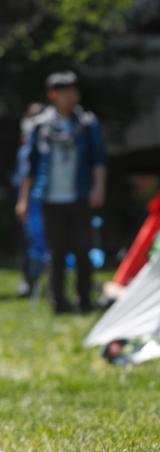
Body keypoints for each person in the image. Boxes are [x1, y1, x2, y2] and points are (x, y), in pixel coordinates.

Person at [15, 71, 108, 313]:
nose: (72, 96)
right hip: (49, 197)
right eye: (66, 92)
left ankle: (85, 299)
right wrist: (23, 199)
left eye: (74, 91)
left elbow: (99, 159)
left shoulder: (87, 125)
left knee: (82, 249)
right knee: (56, 251)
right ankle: (59, 302)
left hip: (79, 195)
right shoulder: (40, 126)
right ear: (53, 95)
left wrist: (98, 188)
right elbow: (30, 165)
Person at [10, 103, 47, 297]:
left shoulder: (43, 144)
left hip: (42, 199)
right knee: (29, 242)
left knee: (42, 242)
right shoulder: (25, 145)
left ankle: (43, 283)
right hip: (28, 200)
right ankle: (29, 281)